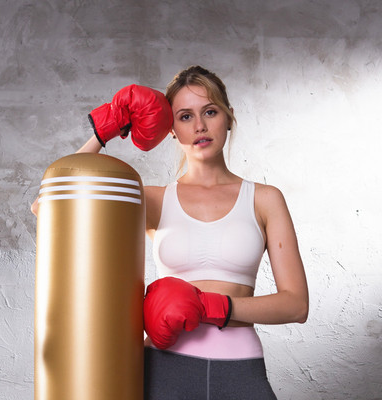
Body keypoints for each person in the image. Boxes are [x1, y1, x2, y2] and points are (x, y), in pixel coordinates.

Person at [31, 66, 309, 399]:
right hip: (164, 371)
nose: (200, 126)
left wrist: (210, 306)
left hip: (240, 371)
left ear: (229, 117)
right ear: (172, 130)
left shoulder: (264, 199)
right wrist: (104, 131)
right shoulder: (153, 200)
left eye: (210, 111)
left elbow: (296, 305)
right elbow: (52, 206)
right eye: (185, 116)